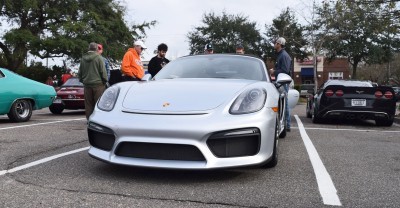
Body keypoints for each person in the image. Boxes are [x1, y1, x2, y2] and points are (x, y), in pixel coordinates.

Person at [78, 42, 108, 120]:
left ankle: (89, 120)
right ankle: (98, 121)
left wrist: (83, 80)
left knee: (88, 104)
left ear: (89, 48)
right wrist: (105, 81)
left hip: (87, 84)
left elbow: (80, 73)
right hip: (98, 84)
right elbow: (103, 71)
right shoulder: (99, 58)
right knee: (98, 104)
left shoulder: (83, 58)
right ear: (97, 49)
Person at [269, 37, 292, 132]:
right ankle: (284, 124)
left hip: (284, 82)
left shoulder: (284, 56)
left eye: (276, 43)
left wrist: (274, 71)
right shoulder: (280, 55)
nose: (274, 44)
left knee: (284, 103)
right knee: (282, 103)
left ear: (279, 44)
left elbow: (285, 71)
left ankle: (287, 125)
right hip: (281, 82)